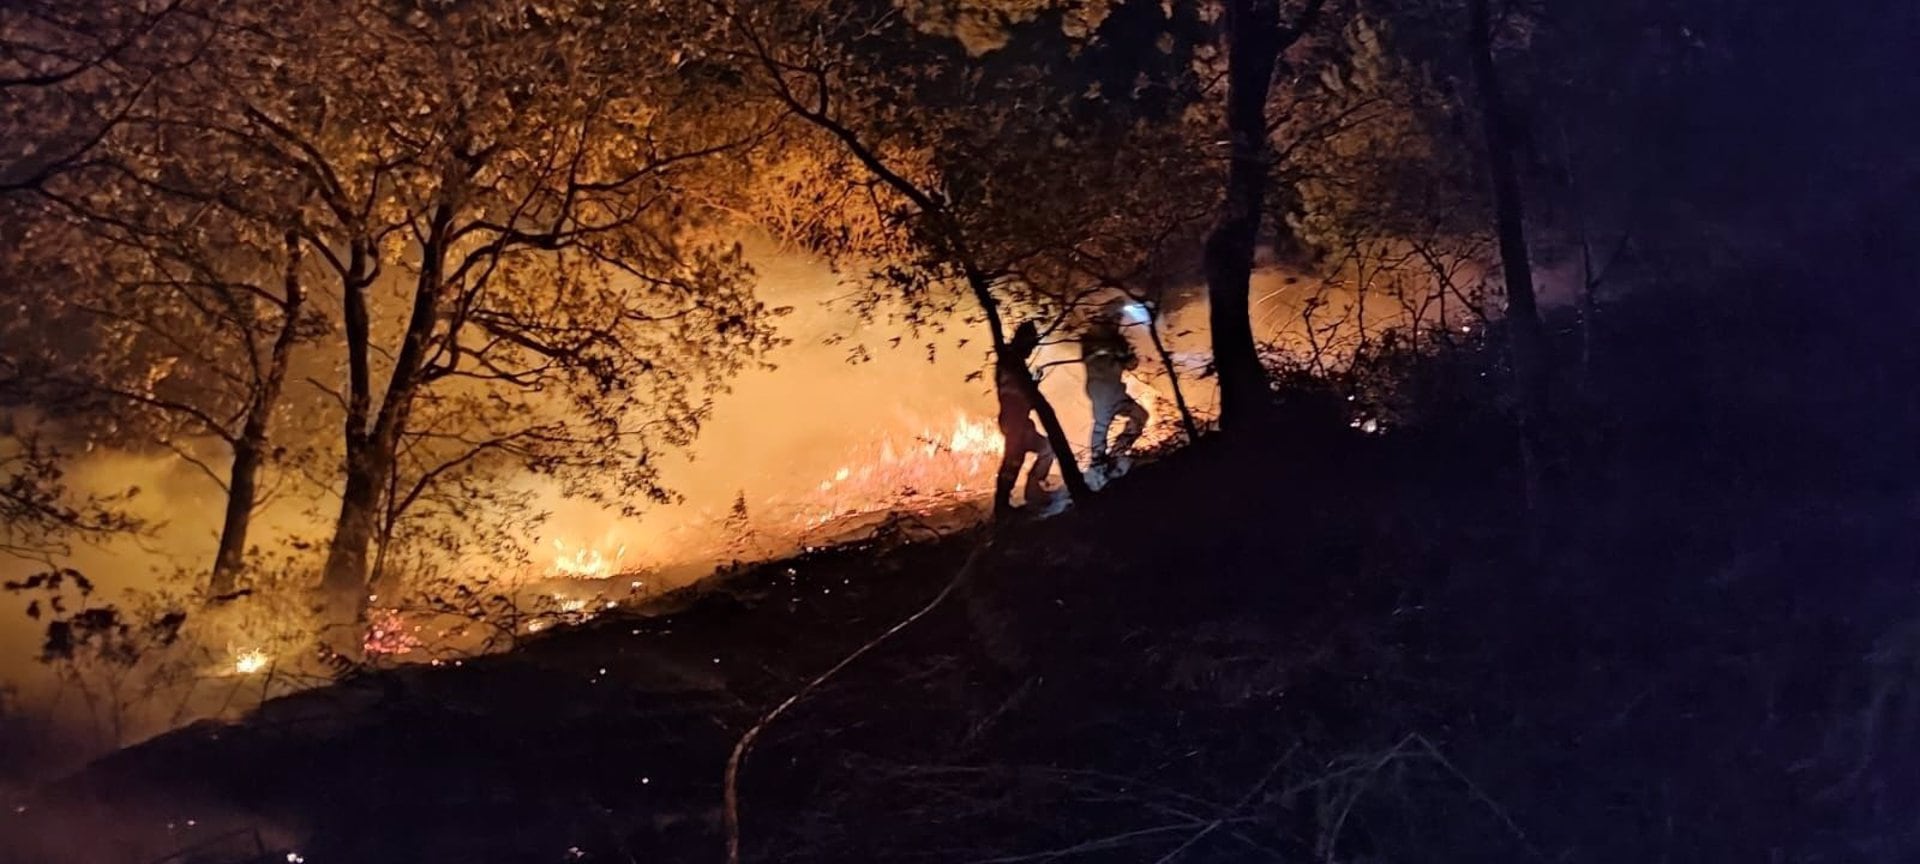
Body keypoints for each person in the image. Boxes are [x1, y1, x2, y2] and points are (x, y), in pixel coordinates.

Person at [993, 320, 1054, 516]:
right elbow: (1015, 395)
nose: (1032, 349)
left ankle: (1031, 492)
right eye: (1031, 344)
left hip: (1020, 422)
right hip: (1014, 422)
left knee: (1046, 448)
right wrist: (1031, 389)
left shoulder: (1012, 361)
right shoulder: (1010, 363)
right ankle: (1002, 507)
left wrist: (1032, 387)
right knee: (1013, 461)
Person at [1082, 301, 1148, 475]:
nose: (1119, 321)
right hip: (1101, 389)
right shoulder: (1093, 337)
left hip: (1116, 389)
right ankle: (1097, 463)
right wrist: (1117, 352)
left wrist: (1129, 358)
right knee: (1102, 424)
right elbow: (1095, 354)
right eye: (1116, 318)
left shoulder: (1116, 339)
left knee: (1140, 415)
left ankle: (1117, 453)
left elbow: (1130, 363)